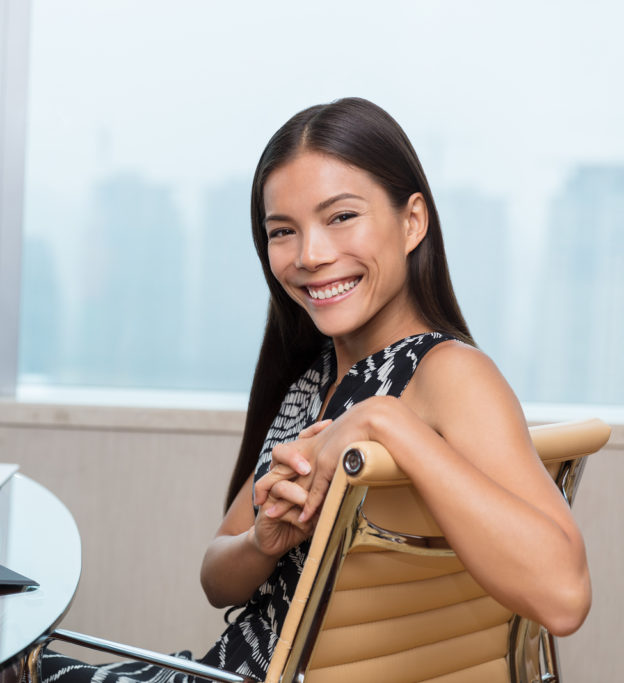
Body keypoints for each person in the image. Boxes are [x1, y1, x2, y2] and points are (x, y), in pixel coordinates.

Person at [41, 97, 591, 682]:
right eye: (283, 231)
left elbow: (564, 595)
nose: (310, 255)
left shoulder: (449, 372)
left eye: (341, 217)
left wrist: (386, 422)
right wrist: (265, 540)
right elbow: (214, 579)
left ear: (412, 222)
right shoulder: (313, 380)